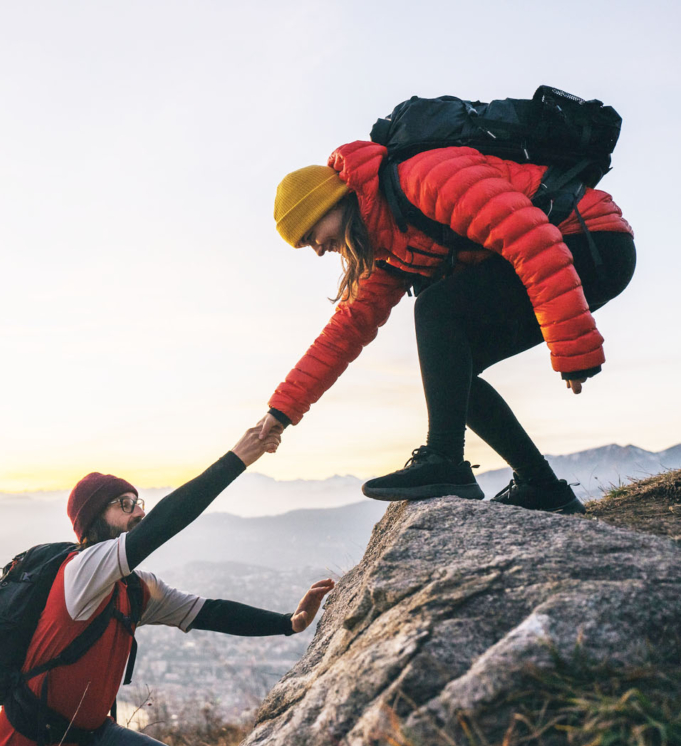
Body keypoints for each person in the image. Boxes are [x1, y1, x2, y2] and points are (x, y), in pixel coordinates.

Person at [0, 423, 335, 746]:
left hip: (91, 742)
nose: (138, 512)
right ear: (94, 521)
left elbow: (207, 611)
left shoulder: (135, 589)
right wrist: (238, 459)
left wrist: (289, 622)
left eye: (139, 502)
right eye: (124, 504)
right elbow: (166, 524)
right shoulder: (81, 572)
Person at [259, 143, 635, 512]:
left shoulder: (423, 178)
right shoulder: (389, 245)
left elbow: (532, 239)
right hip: (561, 253)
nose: (319, 250)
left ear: (327, 203)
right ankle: (541, 486)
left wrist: (572, 345)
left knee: (435, 309)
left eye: (310, 236)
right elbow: (343, 334)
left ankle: (445, 458)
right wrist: (280, 413)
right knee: (450, 369)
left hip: (591, 240)